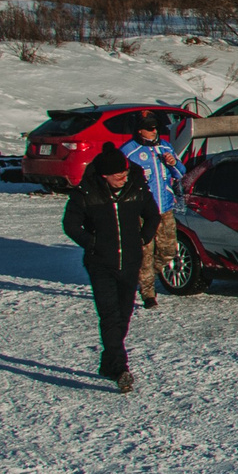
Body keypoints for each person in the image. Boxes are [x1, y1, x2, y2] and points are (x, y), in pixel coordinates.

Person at [62, 143, 158, 391]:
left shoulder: (136, 188)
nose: (123, 179)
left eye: (125, 174)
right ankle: (120, 368)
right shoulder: (86, 193)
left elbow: (153, 214)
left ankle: (108, 363)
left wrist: (144, 237)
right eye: (118, 176)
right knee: (109, 315)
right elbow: (71, 225)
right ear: (104, 175)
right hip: (100, 264)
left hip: (130, 262)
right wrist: (92, 243)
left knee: (124, 316)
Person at [121, 112, 187, 308]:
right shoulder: (129, 151)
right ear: (139, 130)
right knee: (145, 253)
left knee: (168, 250)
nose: (154, 131)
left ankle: (142, 277)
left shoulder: (165, 146)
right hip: (141, 212)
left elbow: (180, 172)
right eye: (149, 128)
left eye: (155, 127)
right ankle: (148, 294)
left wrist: (173, 163)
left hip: (164, 207)